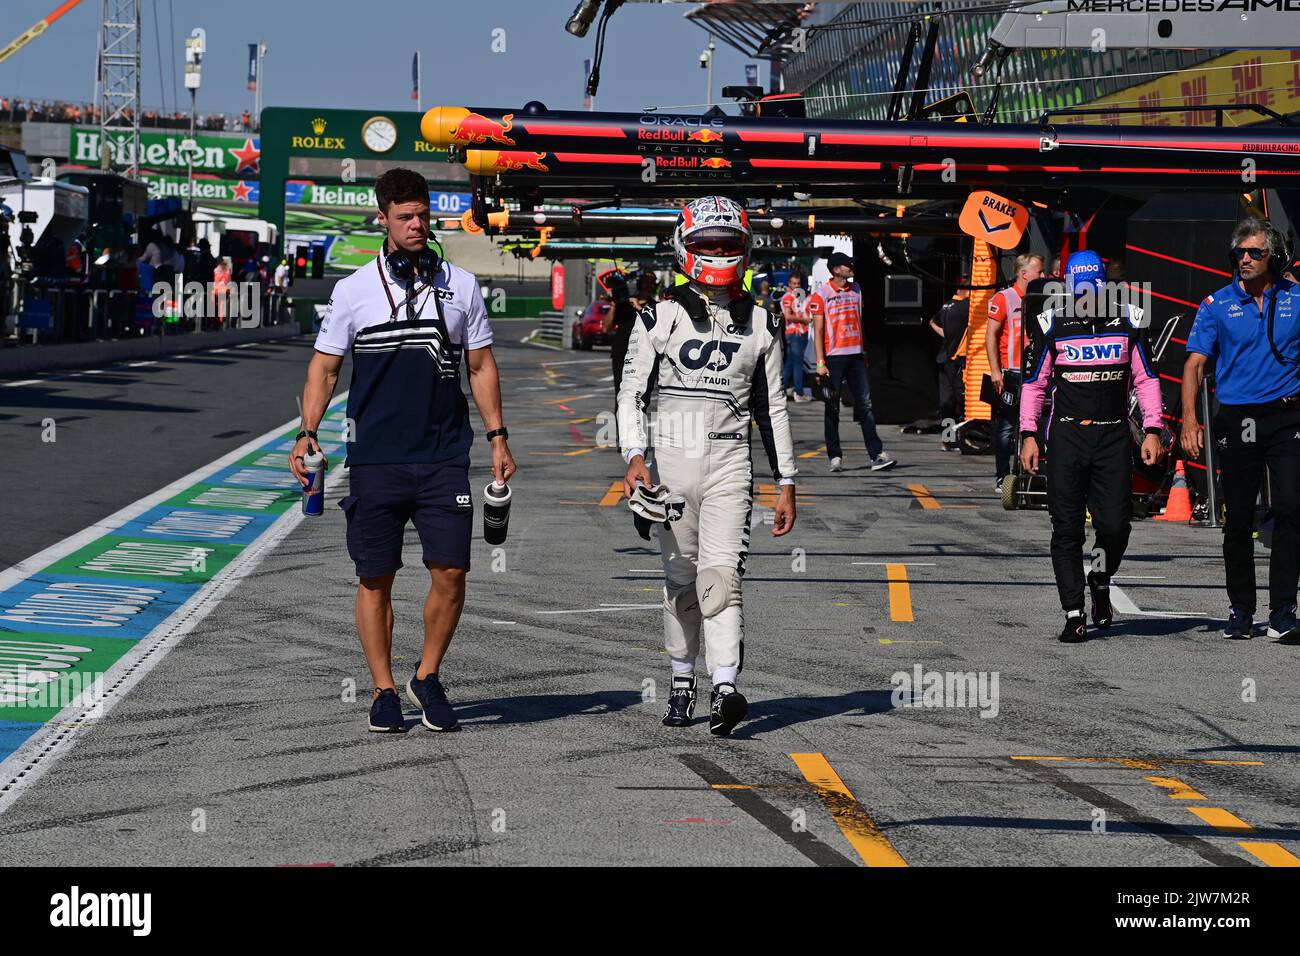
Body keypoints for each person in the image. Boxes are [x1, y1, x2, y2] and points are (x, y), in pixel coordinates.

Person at [289, 167, 516, 734]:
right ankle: (384, 689)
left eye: (423, 216)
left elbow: (481, 365)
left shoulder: (461, 286)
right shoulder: (353, 289)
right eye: (405, 217)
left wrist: (497, 436)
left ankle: (428, 676)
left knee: (452, 572)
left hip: (444, 456)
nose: (417, 225)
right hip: (374, 457)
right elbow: (324, 367)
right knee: (375, 577)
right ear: (383, 220)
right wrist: (307, 431)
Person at [617, 195, 796, 737]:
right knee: (680, 580)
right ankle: (679, 679)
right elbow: (630, 394)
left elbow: (774, 406)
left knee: (721, 578)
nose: (717, 253)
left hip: (729, 459)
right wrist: (633, 457)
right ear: (683, 247)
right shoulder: (657, 313)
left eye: (727, 244)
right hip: (670, 456)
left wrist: (786, 480)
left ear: (745, 250)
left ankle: (724, 687)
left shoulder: (765, 321)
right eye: (706, 244)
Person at [1019, 250, 1164, 643]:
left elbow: (1146, 380)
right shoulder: (1050, 323)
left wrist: (1153, 429)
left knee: (1115, 526)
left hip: (1112, 435)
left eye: (1094, 292)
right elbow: (1034, 385)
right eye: (1080, 293)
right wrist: (1028, 434)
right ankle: (1073, 612)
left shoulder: (1130, 320)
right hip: (1066, 437)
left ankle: (1099, 577)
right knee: (1066, 529)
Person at [1181, 218, 1300, 642]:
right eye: (1239, 254)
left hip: (1287, 416)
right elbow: (1195, 364)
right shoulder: (1217, 304)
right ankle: (1241, 610)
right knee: (1238, 519)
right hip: (1238, 417)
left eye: (1254, 253)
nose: (1245, 260)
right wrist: (1190, 420)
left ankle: (1284, 610)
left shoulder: (1296, 297)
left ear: (1274, 257)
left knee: (1290, 508)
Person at [807, 251, 896, 472]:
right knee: (832, 407)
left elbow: (860, 322)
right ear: (836, 269)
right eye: (848, 265)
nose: (851, 267)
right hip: (834, 357)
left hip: (856, 356)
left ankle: (877, 455)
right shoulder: (821, 295)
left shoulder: (856, 290)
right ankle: (834, 456)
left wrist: (864, 351)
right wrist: (820, 361)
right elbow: (817, 331)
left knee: (865, 406)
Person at [986, 253, 1045, 491]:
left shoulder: (1042, 298)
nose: (1043, 276)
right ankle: (1002, 475)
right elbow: (990, 334)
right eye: (1039, 272)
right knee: (1008, 426)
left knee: (1036, 424)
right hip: (1012, 372)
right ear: (1024, 274)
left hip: (1036, 371)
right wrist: (995, 371)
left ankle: (1033, 473)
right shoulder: (1005, 298)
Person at [929, 274, 970, 451]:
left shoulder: (947, 305)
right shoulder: (966, 306)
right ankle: (965, 437)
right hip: (958, 360)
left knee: (946, 401)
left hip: (943, 357)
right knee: (963, 400)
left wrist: (946, 334)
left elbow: (931, 321)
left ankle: (947, 439)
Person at [781, 273, 811, 402]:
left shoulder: (797, 296)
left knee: (790, 363)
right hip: (795, 333)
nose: (796, 286)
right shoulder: (788, 297)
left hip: (798, 332)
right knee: (798, 364)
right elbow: (787, 316)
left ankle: (782, 390)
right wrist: (804, 320)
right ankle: (799, 393)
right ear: (789, 284)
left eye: (798, 283)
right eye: (794, 283)